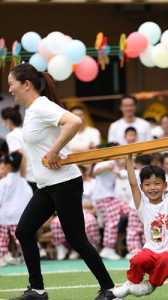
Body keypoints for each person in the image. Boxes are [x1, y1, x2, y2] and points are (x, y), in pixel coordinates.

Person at [8, 63, 116, 300]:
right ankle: (37, 290)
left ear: (26, 84)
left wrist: (55, 151)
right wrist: (56, 149)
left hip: (65, 183)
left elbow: (74, 122)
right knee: (25, 231)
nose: (10, 89)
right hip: (46, 186)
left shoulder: (42, 106)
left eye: (12, 83)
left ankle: (109, 289)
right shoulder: (33, 110)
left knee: (76, 238)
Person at [113, 148, 168, 298]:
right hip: (152, 252)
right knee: (138, 259)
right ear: (142, 187)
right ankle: (131, 283)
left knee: (166, 258)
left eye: (157, 184)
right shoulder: (143, 206)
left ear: (164, 185)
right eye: (148, 185)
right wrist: (129, 158)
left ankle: (151, 284)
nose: (152, 188)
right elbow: (133, 184)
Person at [0, 152, 32, 267]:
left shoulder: (3, 182)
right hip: (20, 216)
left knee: (2, 238)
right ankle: (27, 255)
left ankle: (3, 256)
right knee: (20, 238)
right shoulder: (24, 182)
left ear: (8, 166)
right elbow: (29, 197)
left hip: (4, 217)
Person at [1, 106, 35, 190]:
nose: (3, 124)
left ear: (8, 121)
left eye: (3, 121)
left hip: (27, 177)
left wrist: (21, 179)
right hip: (36, 174)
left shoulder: (12, 136)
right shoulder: (25, 131)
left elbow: (19, 156)